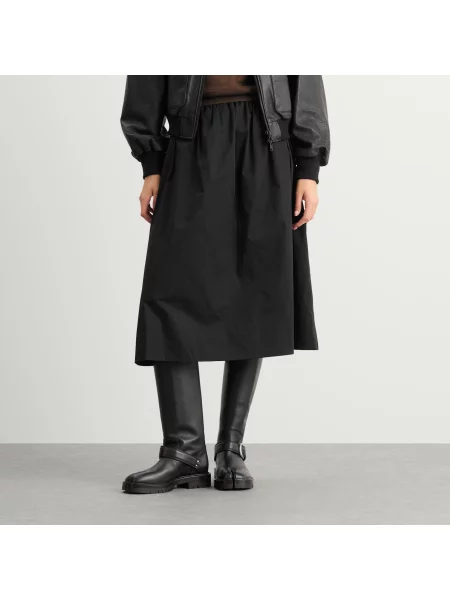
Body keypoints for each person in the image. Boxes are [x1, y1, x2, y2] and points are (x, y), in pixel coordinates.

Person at [120, 75, 330, 493]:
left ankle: (230, 448)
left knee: (255, 287)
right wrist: (152, 163)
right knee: (169, 292)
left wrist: (308, 167)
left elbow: (304, 76)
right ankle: (184, 451)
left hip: (267, 142)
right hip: (188, 142)